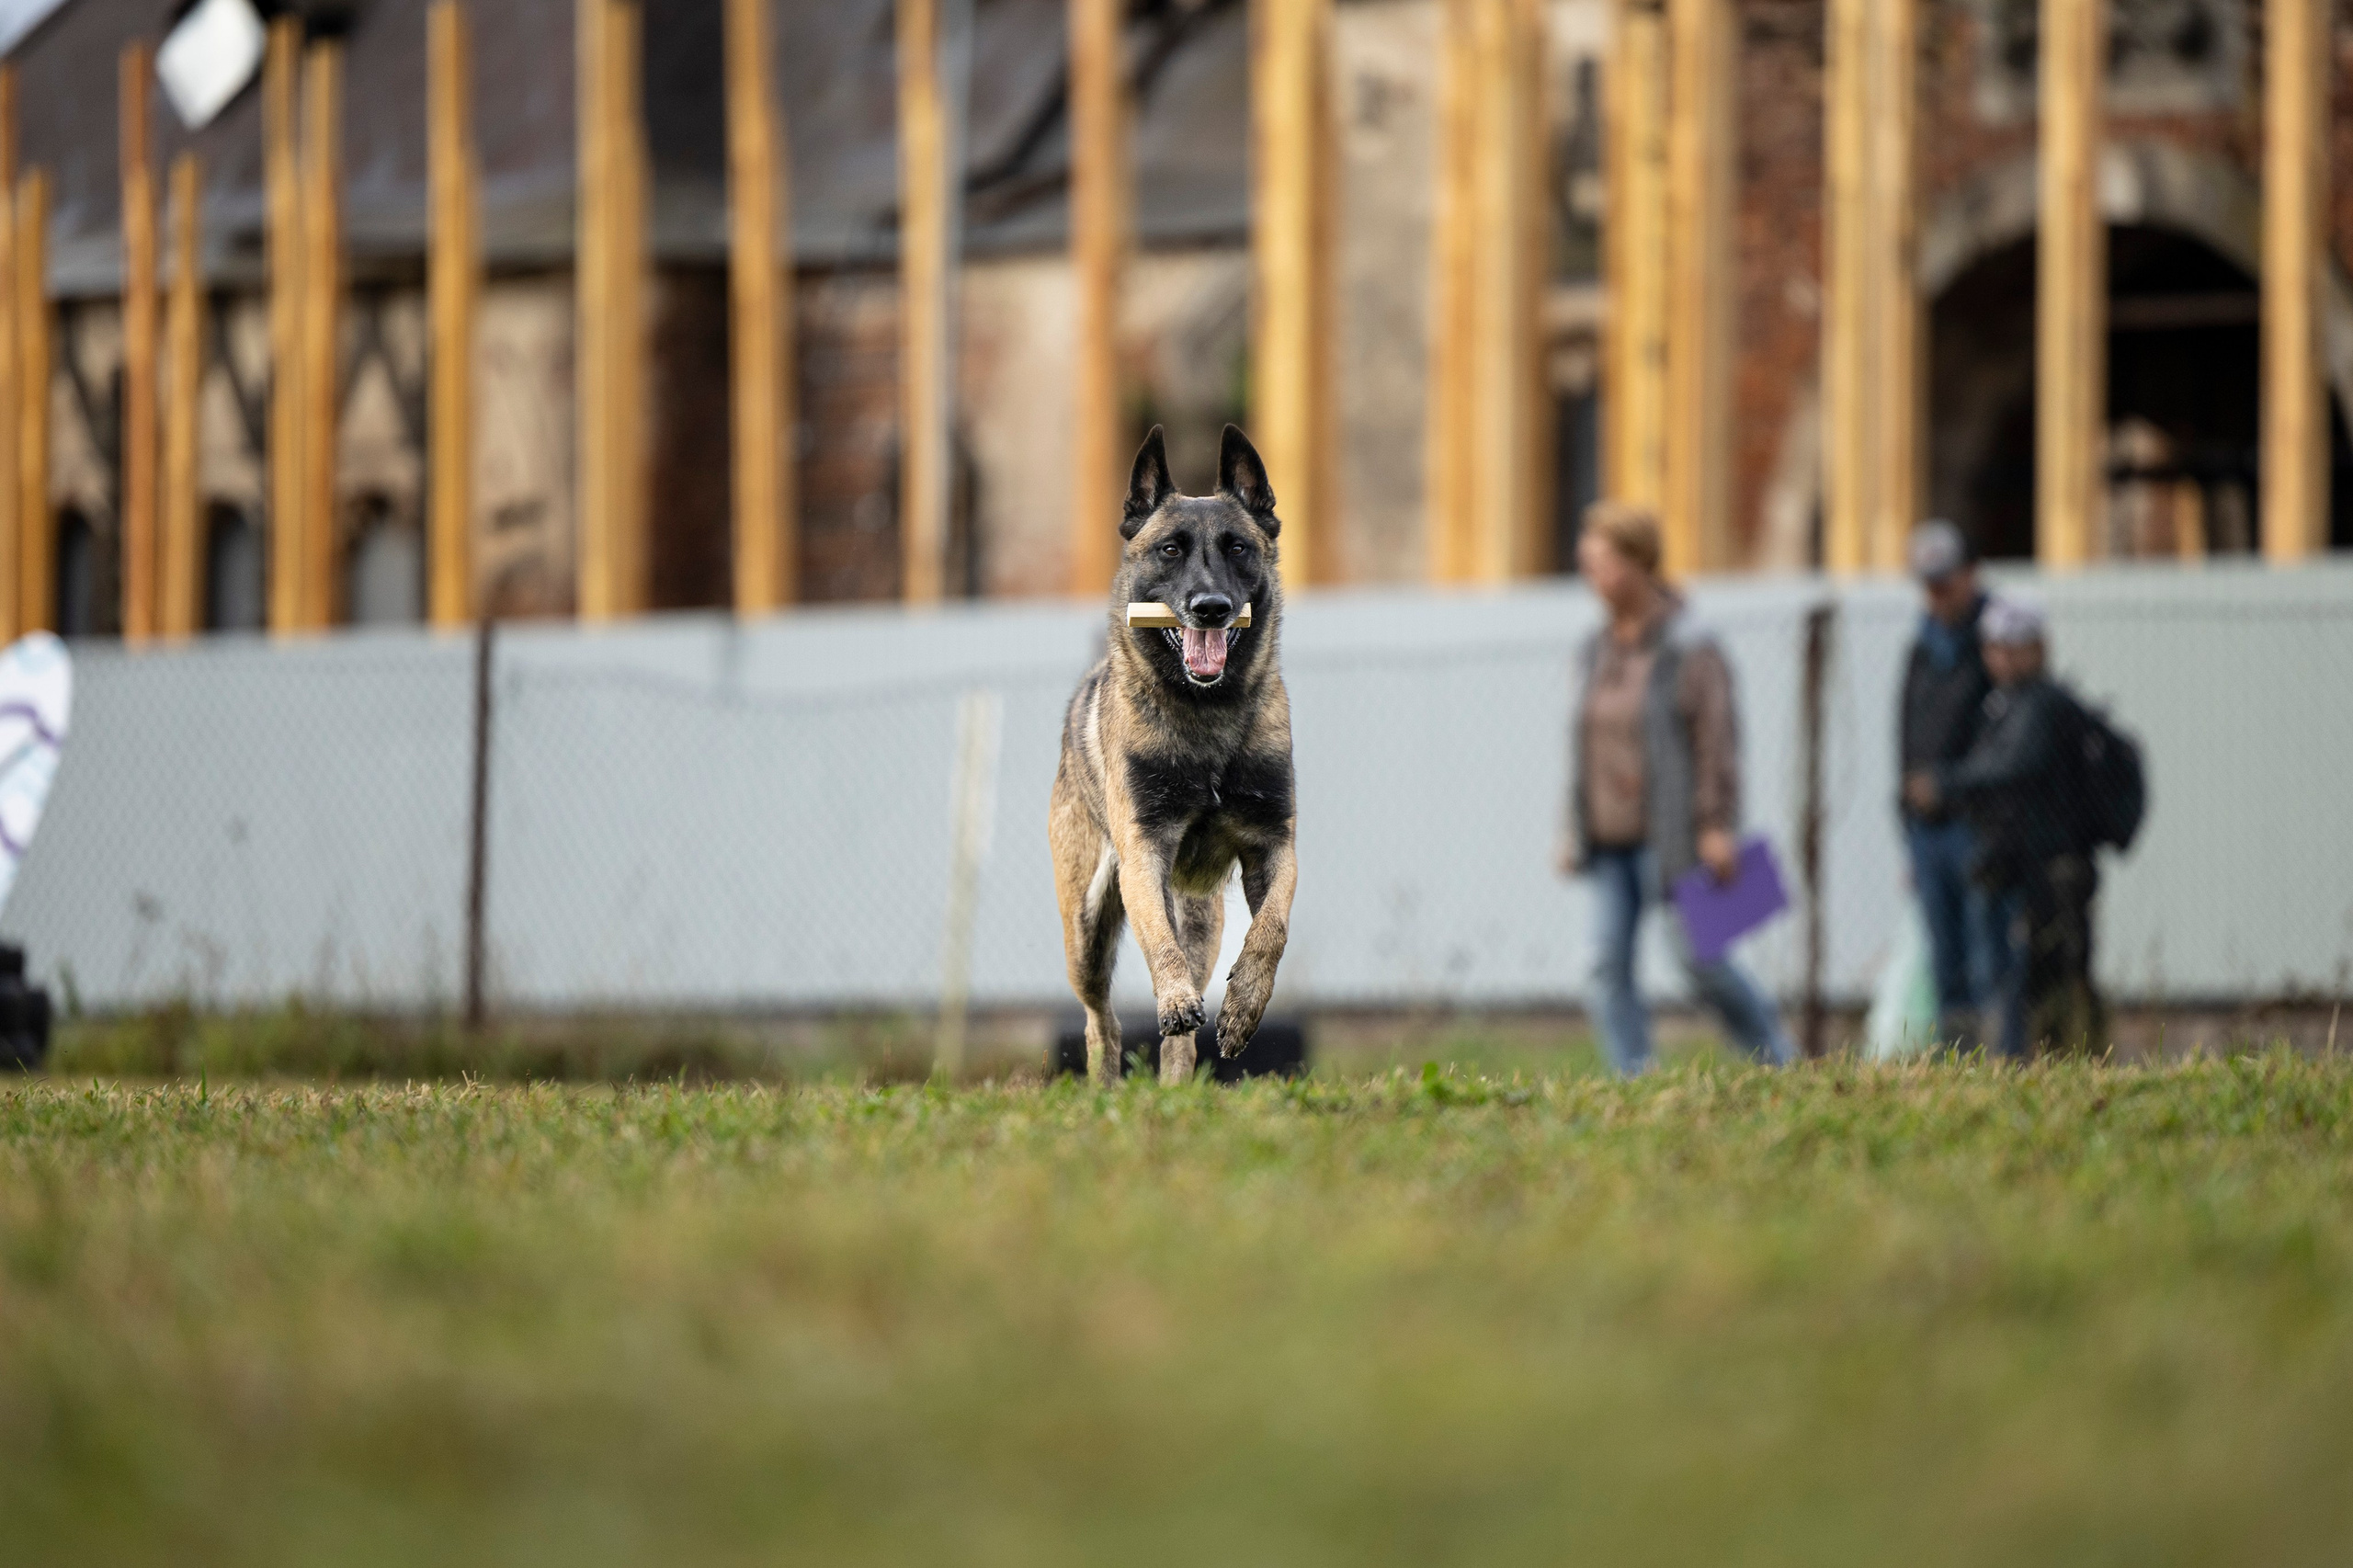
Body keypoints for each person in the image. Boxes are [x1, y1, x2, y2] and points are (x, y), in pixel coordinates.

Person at [1558, 501, 1796, 1075]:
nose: (1594, 576)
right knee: (1605, 967)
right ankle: (1635, 1074)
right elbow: (1583, 744)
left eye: (1605, 563)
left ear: (1641, 565)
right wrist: (1572, 824)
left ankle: (1776, 1058)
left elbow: (1718, 740)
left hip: (1674, 834)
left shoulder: (1690, 644)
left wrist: (1717, 825)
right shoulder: (1595, 647)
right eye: (1587, 563)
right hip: (1609, 837)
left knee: (1701, 961)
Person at [1903, 596, 2105, 1059]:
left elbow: (2009, 767)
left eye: (2012, 647)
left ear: (2037, 648)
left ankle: (2040, 1062)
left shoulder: (2041, 705)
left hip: (2052, 869)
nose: (2001, 657)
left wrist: (1945, 784)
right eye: (1995, 647)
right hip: (2018, 863)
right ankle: (2006, 1059)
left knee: (2043, 976)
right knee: (2008, 971)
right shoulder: (2004, 704)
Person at [1896, 519, 2006, 1050]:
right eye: (1928, 583)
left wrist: (1950, 786)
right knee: (1945, 956)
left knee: (1988, 950)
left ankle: (2000, 1057)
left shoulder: (1997, 645)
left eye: (1946, 580)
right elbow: (1906, 741)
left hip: (1977, 824)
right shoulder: (1922, 649)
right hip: (1927, 829)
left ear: (1971, 574)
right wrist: (1908, 822)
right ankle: (1958, 1059)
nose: (1936, 594)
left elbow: (2005, 745)